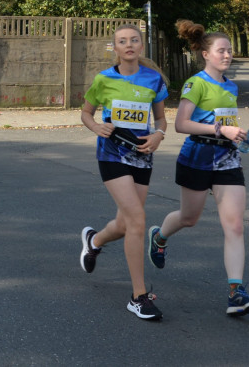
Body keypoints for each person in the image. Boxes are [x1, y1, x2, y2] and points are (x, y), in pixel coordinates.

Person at [147, 19, 249, 317]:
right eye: (222, 50)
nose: (227, 55)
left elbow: (226, 125)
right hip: (197, 157)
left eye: (230, 51)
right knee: (189, 218)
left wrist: (240, 136)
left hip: (227, 160)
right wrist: (220, 130)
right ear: (206, 54)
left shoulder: (231, 86)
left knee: (235, 225)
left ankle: (236, 293)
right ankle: (159, 237)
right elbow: (180, 124)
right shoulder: (196, 83)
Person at [79, 24, 168, 321]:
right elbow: (86, 112)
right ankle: (138, 297)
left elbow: (161, 120)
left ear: (141, 46)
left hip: (142, 157)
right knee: (138, 221)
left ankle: (94, 241)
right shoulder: (104, 79)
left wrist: (158, 136)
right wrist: (95, 127)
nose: (128, 44)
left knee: (124, 224)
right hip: (112, 154)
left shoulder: (154, 80)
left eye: (134, 40)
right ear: (114, 48)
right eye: (122, 41)